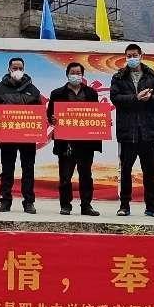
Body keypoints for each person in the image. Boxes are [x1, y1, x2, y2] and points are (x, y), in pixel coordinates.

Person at [109, 43, 154, 218]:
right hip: (127, 132)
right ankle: (124, 205)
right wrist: (136, 98)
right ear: (125, 57)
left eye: (135, 55)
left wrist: (150, 98)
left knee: (149, 171)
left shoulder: (152, 75)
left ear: (141, 55)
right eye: (129, 56)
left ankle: (152, 206)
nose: (132, 58)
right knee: (125, 170)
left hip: (148, 131)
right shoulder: (118, 76)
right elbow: (115, 98)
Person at [47, 62, 102, 216]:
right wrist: (52, 119)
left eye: (78, 73)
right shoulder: (57, 93)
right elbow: (50, 115)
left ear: (82, 75)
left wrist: (102, 121)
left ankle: (86, 206)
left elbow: (97, 113)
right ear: (67, 74)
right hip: (65, 142)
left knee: (86, 176)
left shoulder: (91, 93)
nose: (76, 76)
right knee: (65, 176)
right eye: (73, 73)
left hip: (86, 142)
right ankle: (65, 205)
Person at [0, 57, 42, 214]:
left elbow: (39, 112)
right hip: (8, 135)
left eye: (20, 68)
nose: (17, 71)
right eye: (14, 68)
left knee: (28, 169)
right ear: (9, 69)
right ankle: (5, 201)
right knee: (7, 169)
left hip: (27, 136)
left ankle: (29, 202)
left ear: (24, 69)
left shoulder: (33, 90)